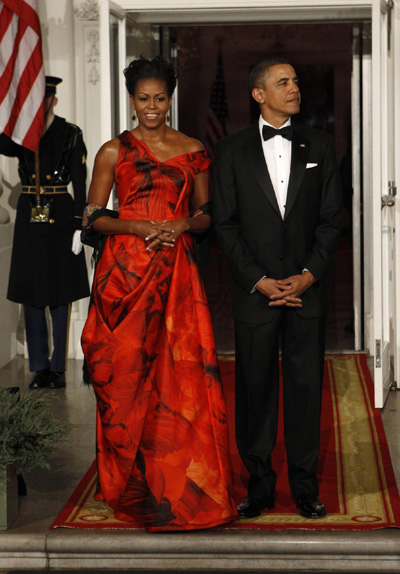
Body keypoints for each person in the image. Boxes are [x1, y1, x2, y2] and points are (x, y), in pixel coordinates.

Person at [81, 56, 237, 532]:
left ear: (171, 99)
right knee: (123, 379)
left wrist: (180, 224)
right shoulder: (113, 151)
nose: (151, 107)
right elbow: (92, 218)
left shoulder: (193, 150)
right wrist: (138, 225)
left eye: (160, 98)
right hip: (124, 276)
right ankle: (127, 483)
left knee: (180, 378)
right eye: (143, 99)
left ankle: (180, 483)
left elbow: (208, 216)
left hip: (178, 276)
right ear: (131, 100)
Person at [212, 58, 342, 520]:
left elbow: (331, 221)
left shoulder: (322, 146)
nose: (295, 88)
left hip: (307, 290)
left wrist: (308, 275)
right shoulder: (229, 152)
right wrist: (259, 280)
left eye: (296, 81)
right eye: (283, 82)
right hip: (256, 293)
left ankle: (306, 489)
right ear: (258, 94)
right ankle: (260, 487)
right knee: (255, 390)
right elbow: (225, 226)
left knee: (306, 390)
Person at [1, 76, 90, 390]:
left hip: (62, 214)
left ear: (53, 100)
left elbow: (80, 182)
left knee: (60, 293)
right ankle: (39, 367)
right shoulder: (23, 134)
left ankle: (58, 368)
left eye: (45, 101)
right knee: (32, 293)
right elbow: (2, 144)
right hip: (29, 210)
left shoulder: (70, 133)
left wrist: (81, 224)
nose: (40, 107)